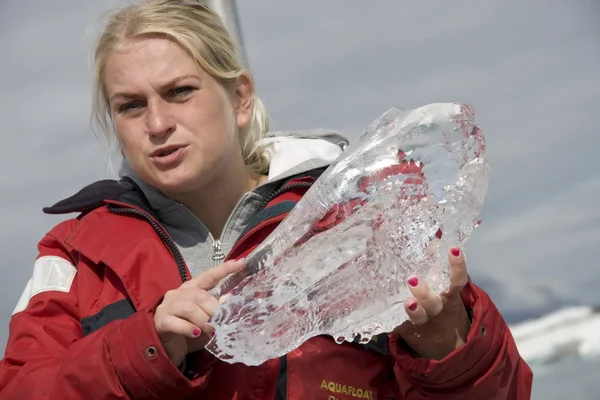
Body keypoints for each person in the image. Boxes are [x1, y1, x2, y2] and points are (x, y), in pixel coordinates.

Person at [0, 0, 533, 399]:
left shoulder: (353, 218)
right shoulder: (74, 257)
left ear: (239, 98)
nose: (158, 124)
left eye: (180, 91)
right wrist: (146, 345)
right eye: (130, 105)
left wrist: (448, 344)